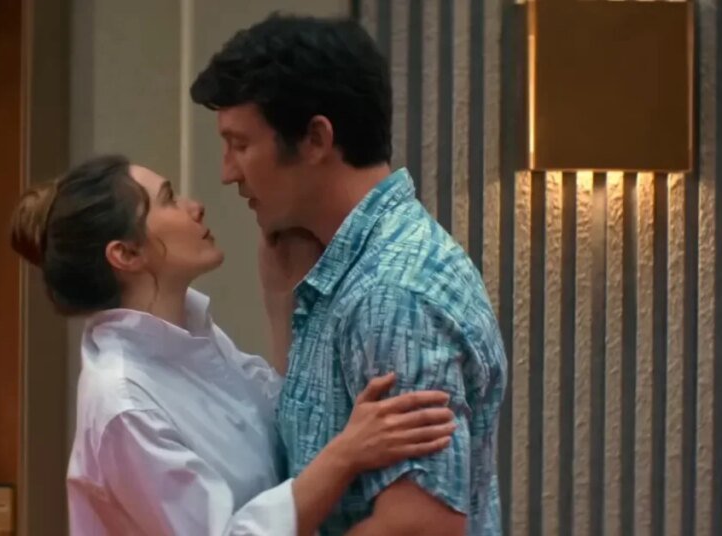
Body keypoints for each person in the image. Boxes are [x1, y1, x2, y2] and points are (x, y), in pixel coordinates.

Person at [8, 154, 458, 535]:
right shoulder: (123, 404)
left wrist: (281, 299)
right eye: (169, 199)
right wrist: (346, 455)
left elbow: (282, 421)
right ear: (126, 254)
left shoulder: (190, 337)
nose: (195, 207)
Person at [191, 13, 508, 535]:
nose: (227, 172)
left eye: (241, 145)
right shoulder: (344, 271)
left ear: (316, 139)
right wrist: (282, 303)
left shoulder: (392, 294)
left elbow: (420, 528)